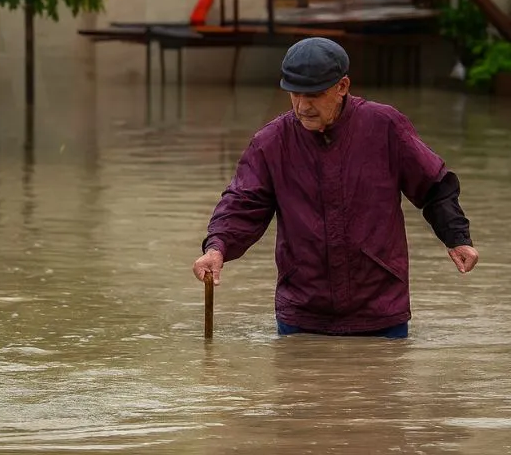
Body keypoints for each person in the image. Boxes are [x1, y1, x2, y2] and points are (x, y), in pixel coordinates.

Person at [192, 37, 478, 338]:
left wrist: (456, 237)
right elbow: (243, 203)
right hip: (302, 311)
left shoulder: (385, 127)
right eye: (295, 94)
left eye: (314, 95)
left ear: (342, 87)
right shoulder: (271, 142)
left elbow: (434, 185)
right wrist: (217, 246)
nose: (303, 106)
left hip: (380, 308)